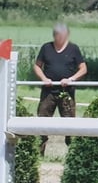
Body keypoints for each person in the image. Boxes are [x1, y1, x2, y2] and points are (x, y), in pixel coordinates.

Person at [34, 23, 88, 155]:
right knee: (42, 121)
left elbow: (83, 69)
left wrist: (71, 79)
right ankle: (39, 153)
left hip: (66, 92)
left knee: (69, 123)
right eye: (57, 35)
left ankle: (73, 155)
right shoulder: (46, 48)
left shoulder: (73, 49)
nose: (59, 38)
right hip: (48, 92)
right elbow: (37, 66)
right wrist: (44, 78)